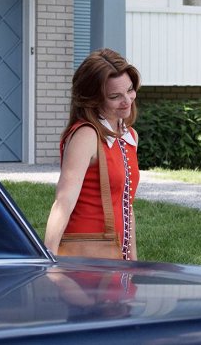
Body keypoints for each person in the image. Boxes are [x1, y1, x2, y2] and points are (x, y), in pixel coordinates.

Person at [45, 48, 141, 260]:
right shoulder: (87, 135)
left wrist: (133, 261)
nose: (127, 100)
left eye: (130, 90)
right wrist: (48, 260)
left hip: (116, 254)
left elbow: (126, 205)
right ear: (93, 99)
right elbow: (63, 201)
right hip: (86, 256)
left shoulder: (128, 135)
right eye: (115, 96)